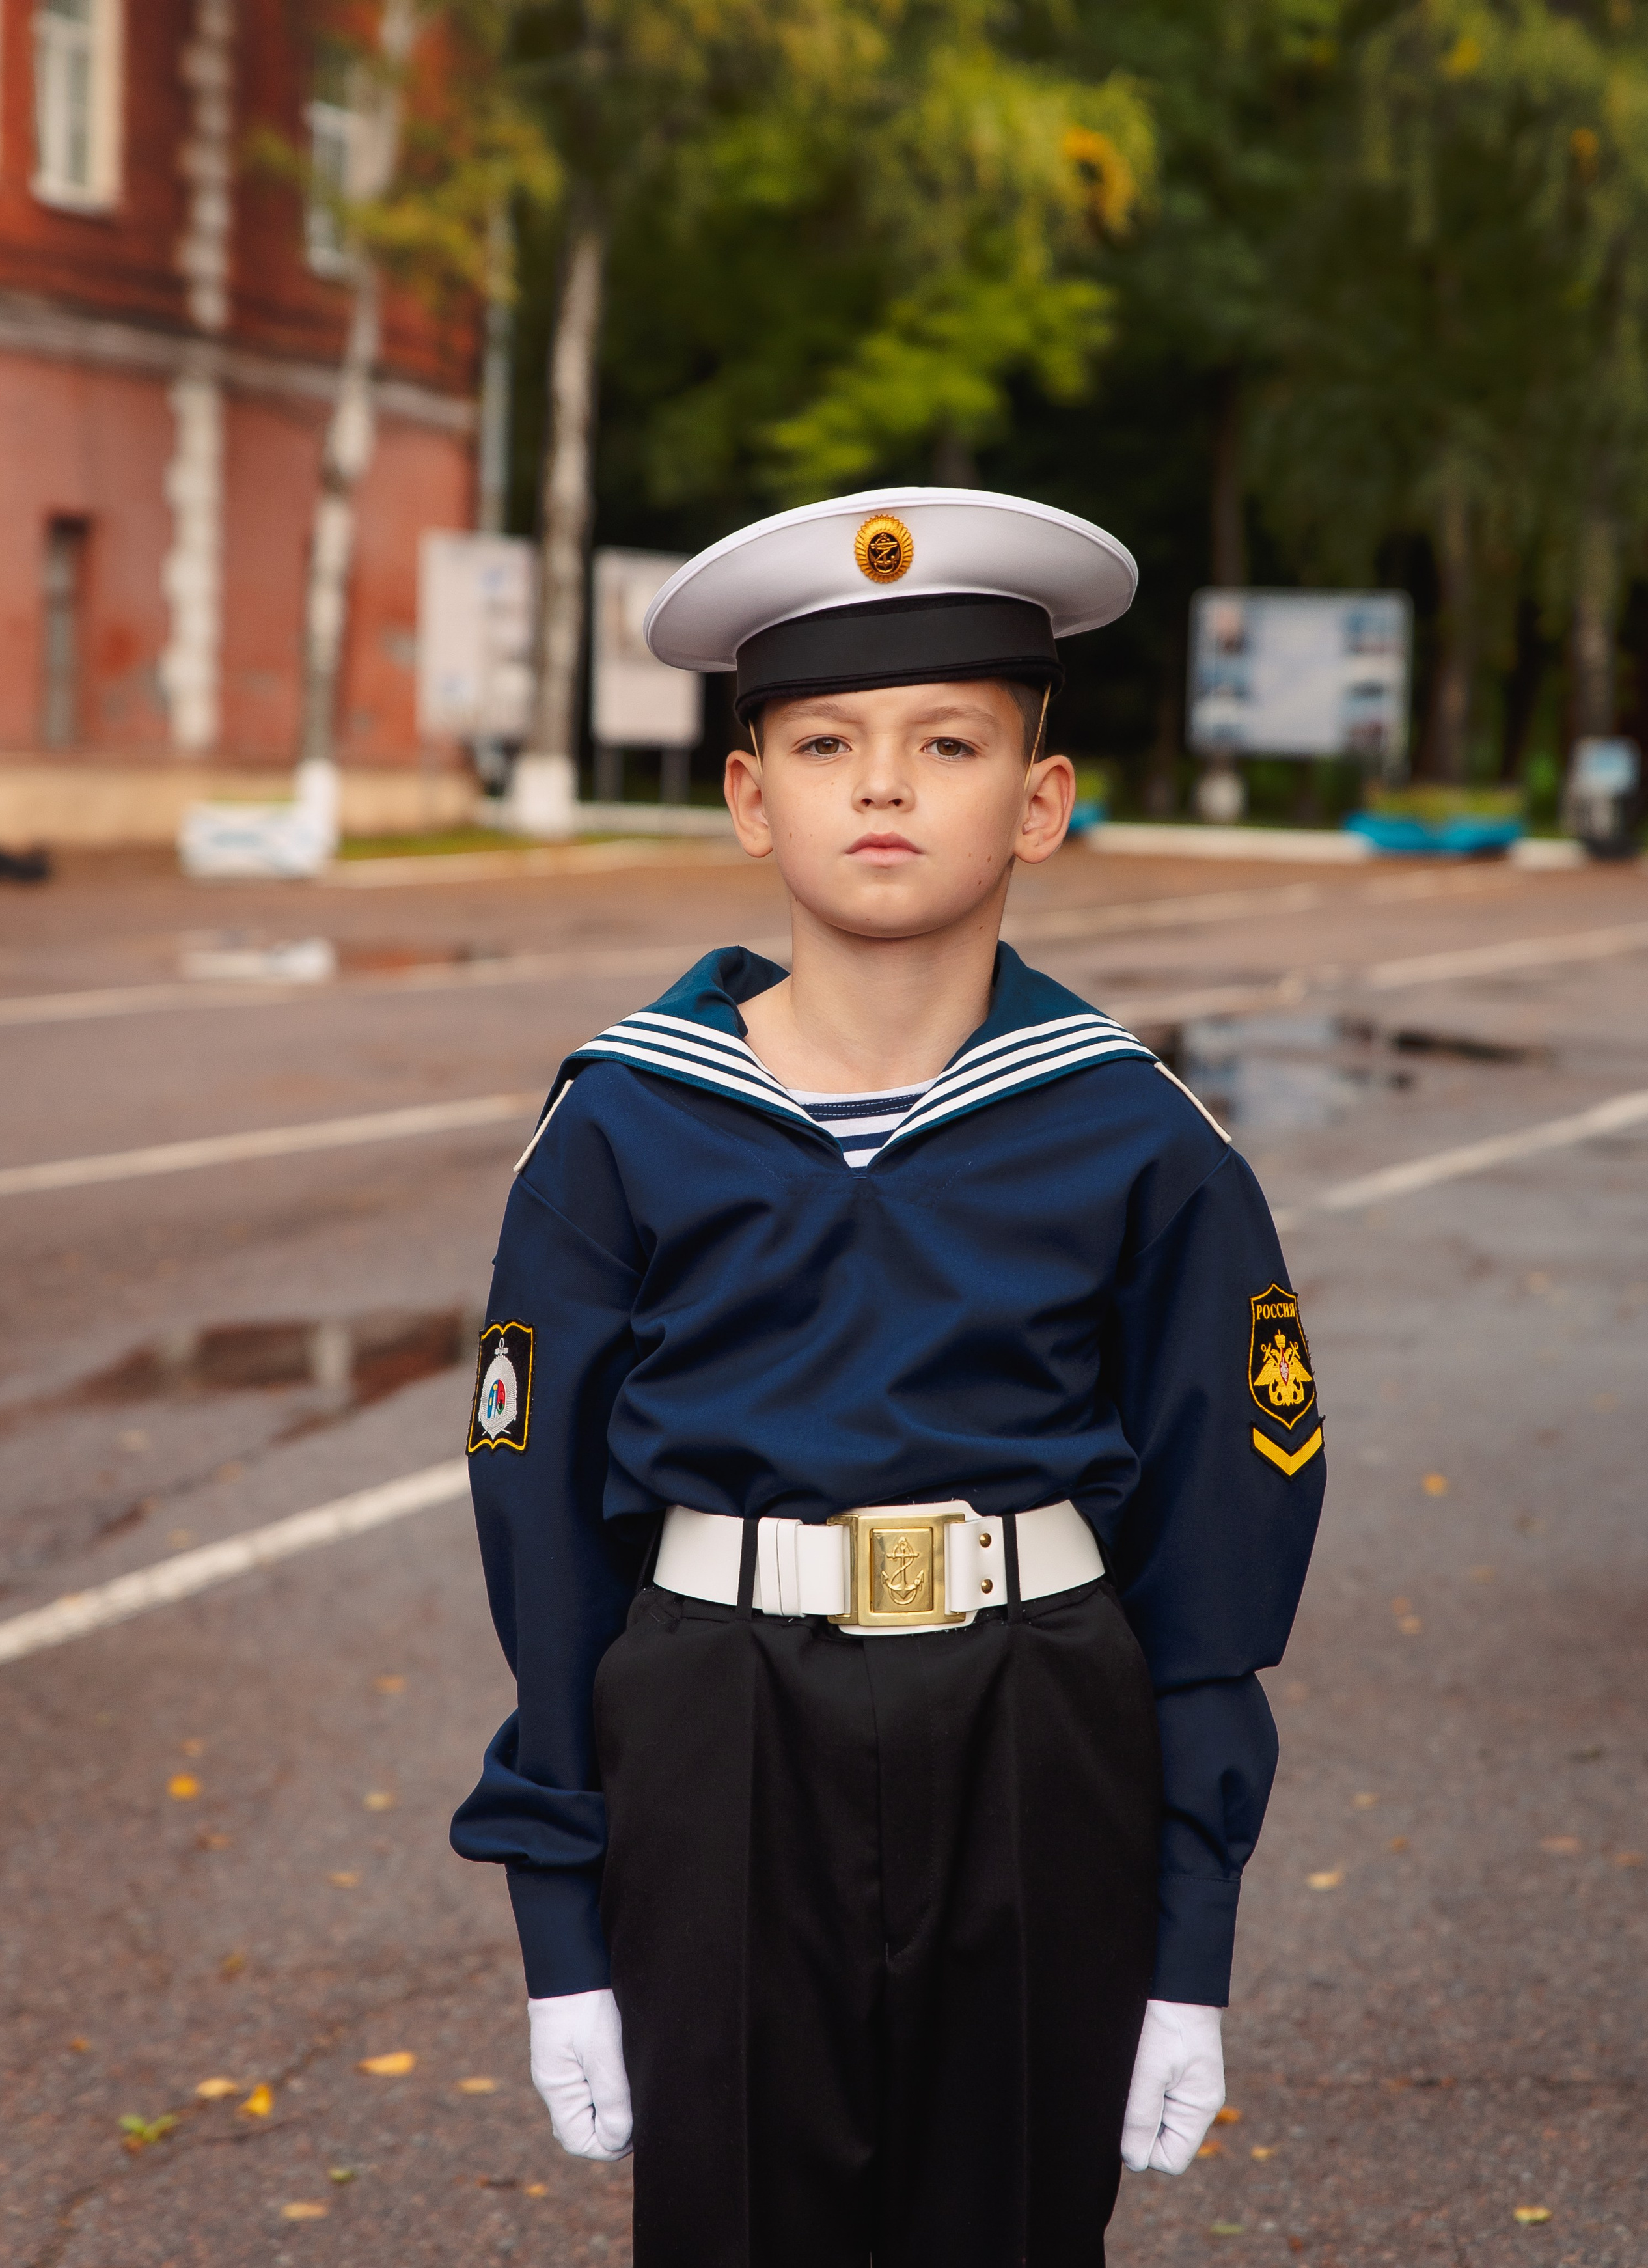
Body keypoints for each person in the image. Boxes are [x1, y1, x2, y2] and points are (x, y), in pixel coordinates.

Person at [451, 488, 1325, 2267]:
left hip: (1038, 1727)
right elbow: (541, 1542)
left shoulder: (1135, 1136)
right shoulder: (623, 1124)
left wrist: (1187, 1938)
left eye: (949, 743)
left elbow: (1221, 1556)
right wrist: (565, 1925)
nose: (883, 786)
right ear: (750, 796)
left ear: (1041, 802)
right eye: (825, 743)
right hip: (716, 1733)